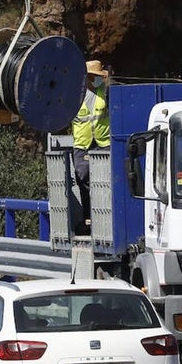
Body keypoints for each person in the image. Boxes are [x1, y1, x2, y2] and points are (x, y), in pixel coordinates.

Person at [72, 59, 110, 234]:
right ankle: (89, 220)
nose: (97, 80)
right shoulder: (74, 95)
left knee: (105, 182)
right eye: (94, 77)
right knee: (84, 180)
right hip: (83, 144)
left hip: (103, 143)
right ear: (86, 77)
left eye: (99, 77)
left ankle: (107, 220)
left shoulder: (105, 91)